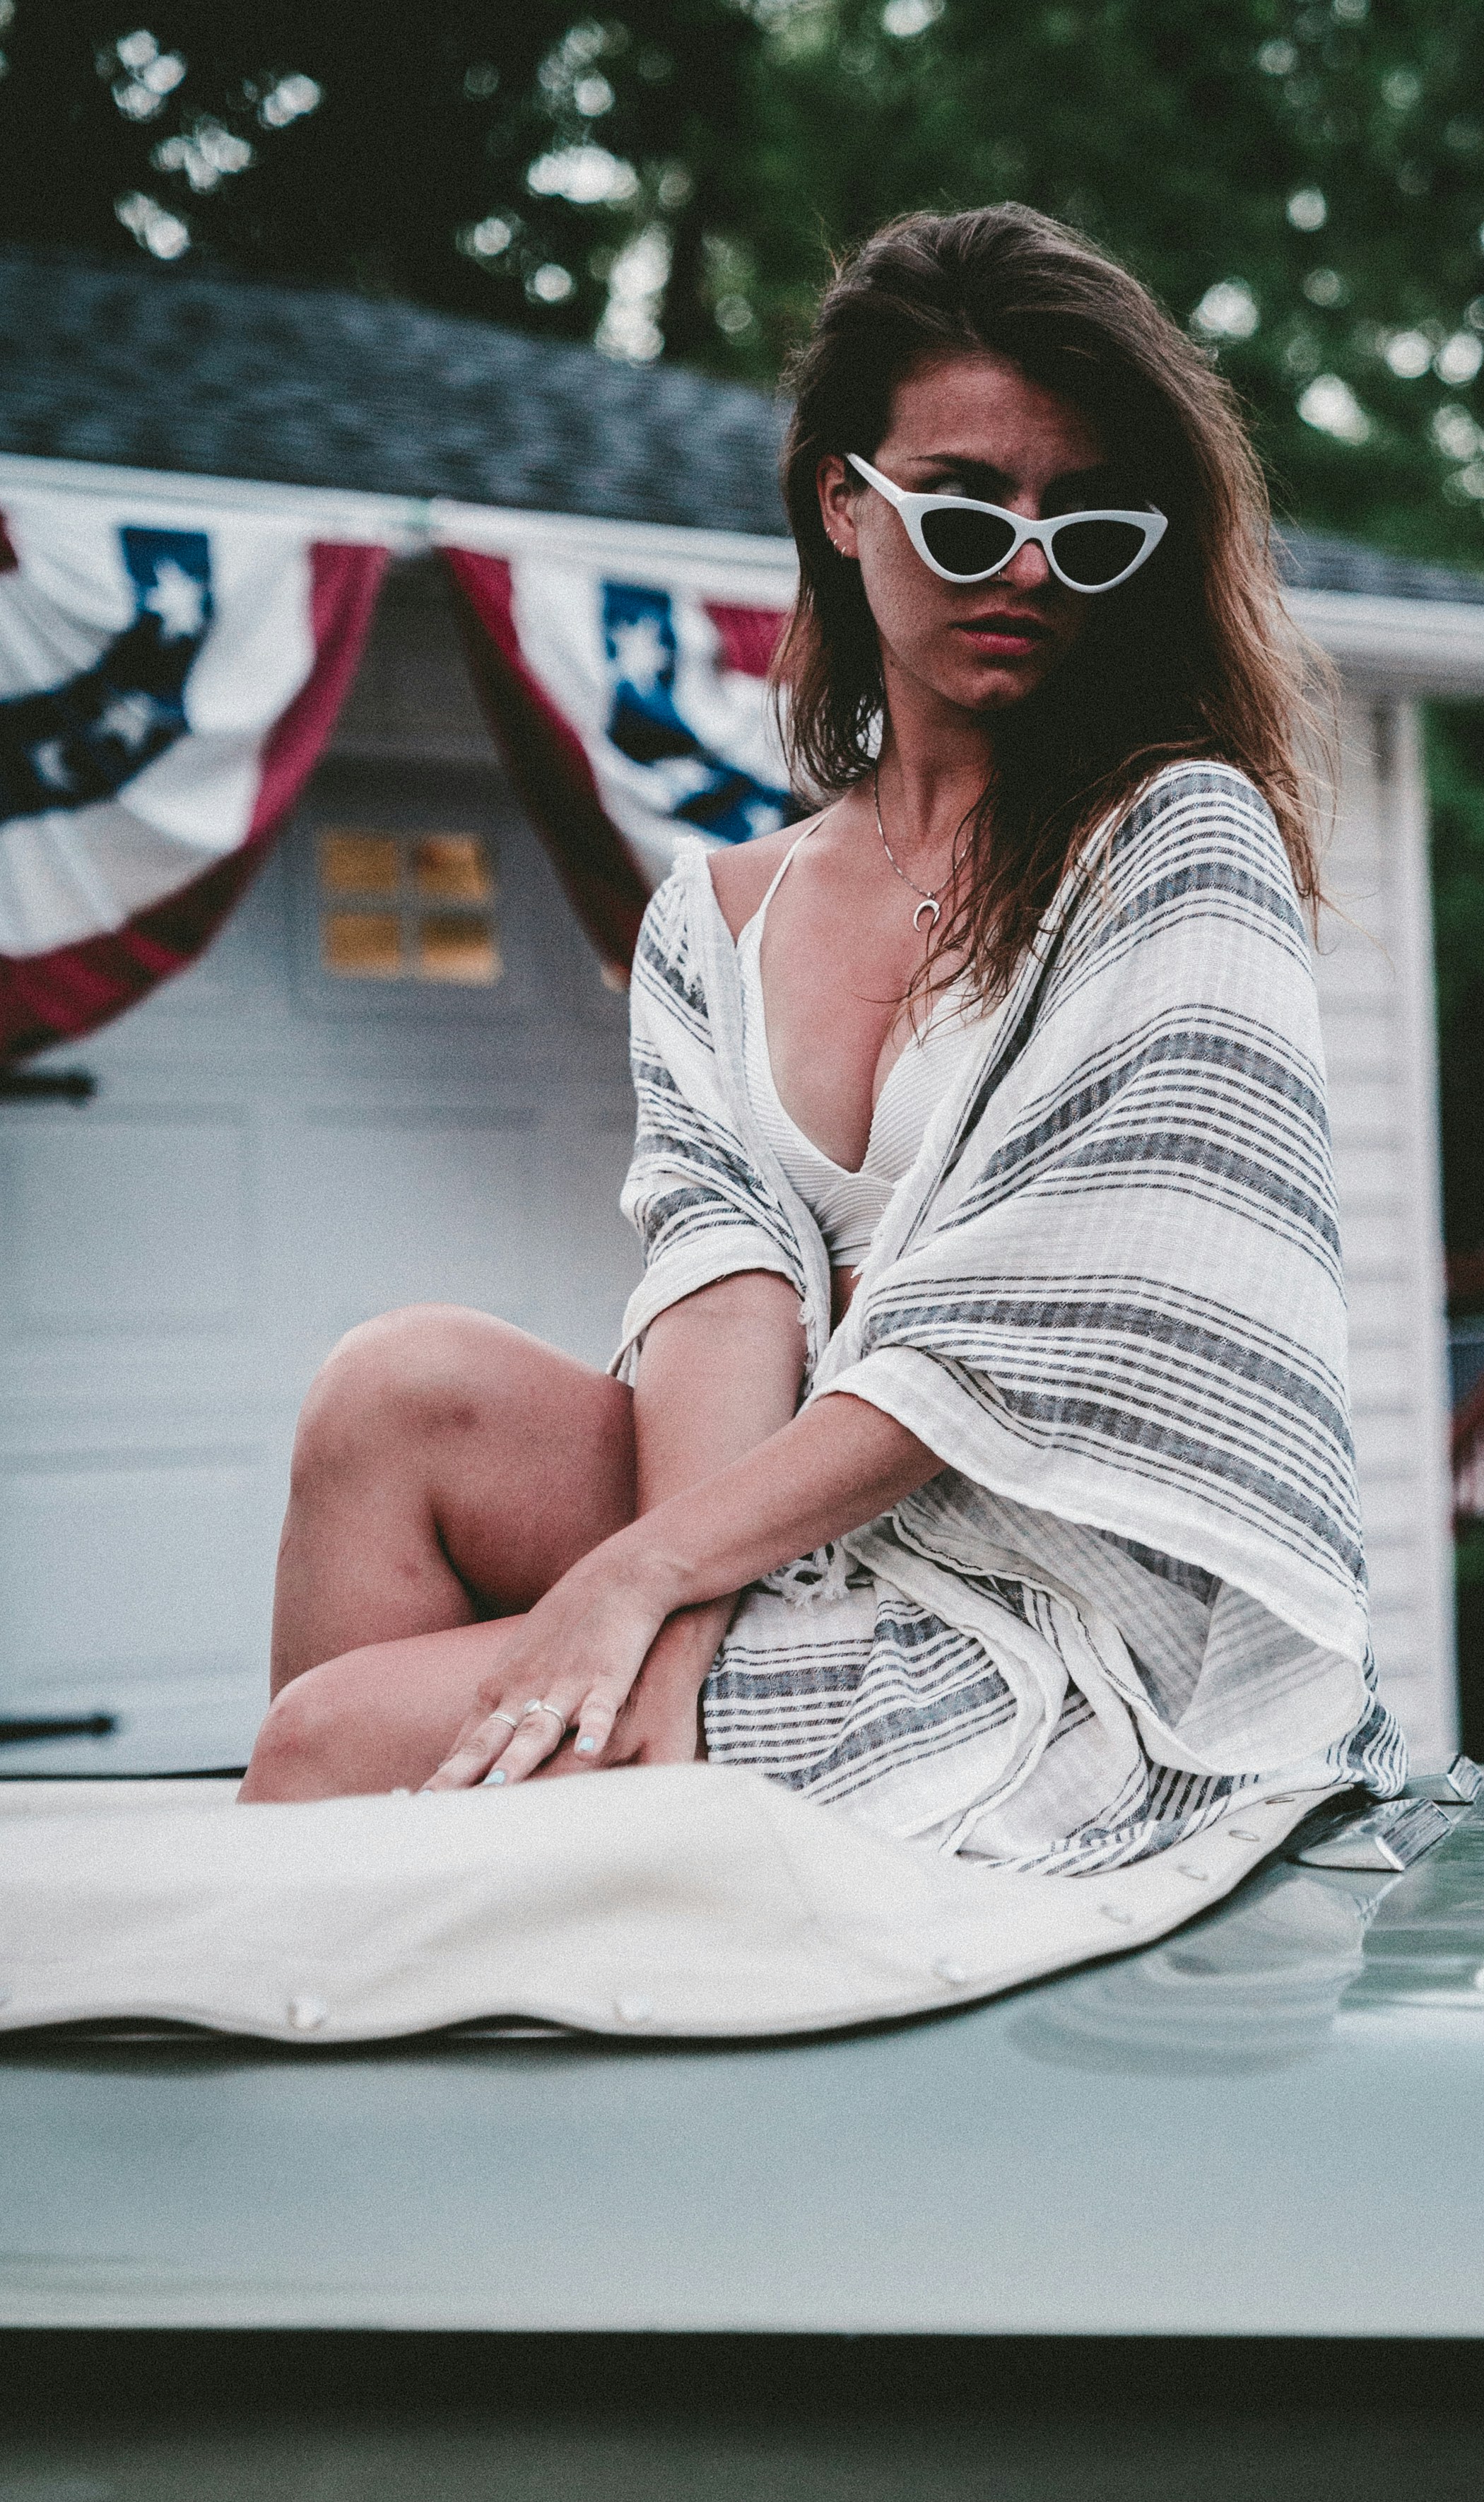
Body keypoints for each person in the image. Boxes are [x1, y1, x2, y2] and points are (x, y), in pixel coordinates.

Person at [241, 204, 1403, 1868]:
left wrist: (644, 1578)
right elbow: (727, 1283)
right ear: (843, 502)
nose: (1022, 566)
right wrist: (689, 1626)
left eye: (1084, 528)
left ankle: (457, 1982)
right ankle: (538, 1897)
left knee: (323, 1749)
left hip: (1067, 1605)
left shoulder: (1176, 842)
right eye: (965, 507)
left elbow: (1032, 1331)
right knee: (393, 1393)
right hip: (806, 1541)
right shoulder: (718, 919)